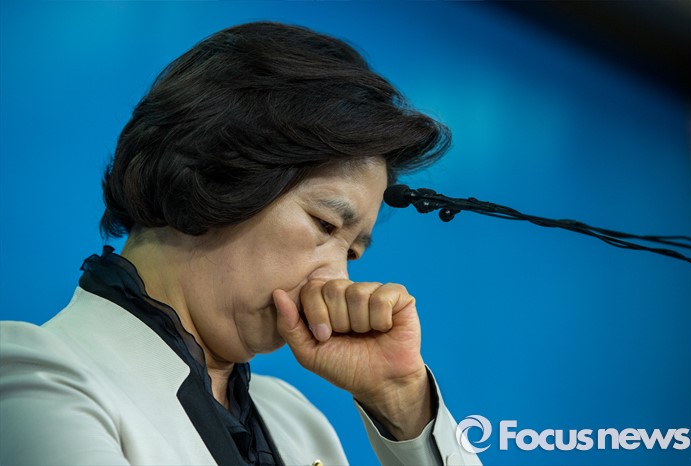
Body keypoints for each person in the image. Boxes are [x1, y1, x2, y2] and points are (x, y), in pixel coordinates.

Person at [0, 22, 481, 466]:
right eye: (325, 225)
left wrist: (399, 399)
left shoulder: (296, 419)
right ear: (214, 175)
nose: (338, 279)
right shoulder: (34, 374)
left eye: (353, 252)